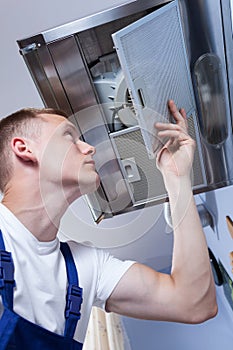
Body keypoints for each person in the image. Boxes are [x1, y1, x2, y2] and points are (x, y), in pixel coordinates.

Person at [0, 100, 217, 349]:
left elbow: (193, 301)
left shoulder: (84, 266)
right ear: (23, 149)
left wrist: (177, 178)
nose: (89, 148)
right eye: (69, 137)